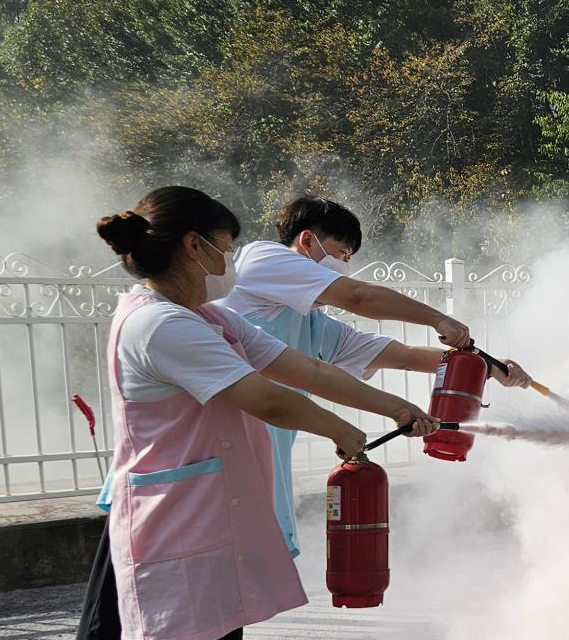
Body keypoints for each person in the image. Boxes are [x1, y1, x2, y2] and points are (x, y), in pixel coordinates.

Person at [61, 186, 435, 640]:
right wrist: (341, 431)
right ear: (195, 246)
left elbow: (298, 368)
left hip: (204, 529)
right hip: (178, 535)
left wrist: (394, 407)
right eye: (225, 246)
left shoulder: (204, 315)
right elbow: (264, 398)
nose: (231, 260)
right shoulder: (159, 326)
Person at [220, 195, 529, 559]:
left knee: (249, 568)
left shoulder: (311, 322)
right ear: (307, 242)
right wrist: (437, 319)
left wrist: (486, 366)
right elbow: (358, 297)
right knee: (226, 561)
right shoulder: (264, 258)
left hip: (266, 445)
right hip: (228, 438)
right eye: (342, 254)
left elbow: (400, 355)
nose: (346, 266)